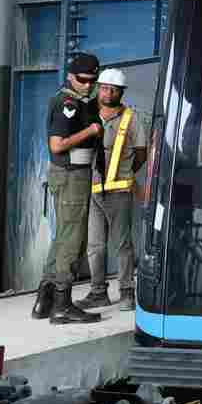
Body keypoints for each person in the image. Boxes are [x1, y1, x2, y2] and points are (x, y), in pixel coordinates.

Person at [30, 52, 104, 325]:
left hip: (73, 174)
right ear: (70, 76)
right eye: (83, 80)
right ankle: (62, 305)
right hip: (72, 175)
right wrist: (91, 131)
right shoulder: (67, 103)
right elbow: (57, 145)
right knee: (73, 241)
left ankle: (45, 300)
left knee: (63, 237)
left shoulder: (79, 101)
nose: (88, 85)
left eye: (92, 80)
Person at [75, 68, 147, 313]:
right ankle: (98, 293)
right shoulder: (89, 114)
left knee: (122, 244)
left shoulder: (131, 118)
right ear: (99, 88)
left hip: (118, 191)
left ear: (121, 93)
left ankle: (127, 293)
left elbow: (141, 153)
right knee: (95, 245)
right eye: (105, 88)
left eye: (114, 90)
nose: (108, 93)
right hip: (92, 189)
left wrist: (124, 173)